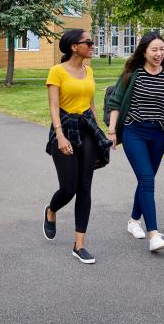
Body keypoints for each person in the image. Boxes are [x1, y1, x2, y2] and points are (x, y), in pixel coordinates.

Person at [107, 32, 164, 252]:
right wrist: (112, 130)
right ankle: (153, 234)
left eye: (162, 49)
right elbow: (116, 101)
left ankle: (133, 221)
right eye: (154, 49)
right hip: (135, 132)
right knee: (147, 178)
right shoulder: (133, 73)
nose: (159, 53)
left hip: (158, 134)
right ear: (143, 51)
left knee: (146, 180)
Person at [42, 29, 113, 264]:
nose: (93, 46)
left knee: (84, 187)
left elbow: (91, 105)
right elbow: (53, 107)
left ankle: (79, 245)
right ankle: (51, 210)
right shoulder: (57, 71)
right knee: (68, 188)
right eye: (89, 42)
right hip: (64, 129)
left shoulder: (89, 70)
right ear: (74, 46)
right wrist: (60, 137)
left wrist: (102, 134)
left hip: (87, 131)